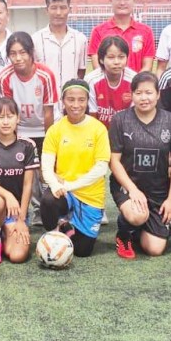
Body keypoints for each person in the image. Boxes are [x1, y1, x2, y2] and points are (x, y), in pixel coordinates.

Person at [110, 72, 171, 259]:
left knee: (155, 249)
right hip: (127, 187)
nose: (144, 98)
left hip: (158, 190)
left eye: (149, 92)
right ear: (132, 95)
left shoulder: (170, 121)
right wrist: (133, 190)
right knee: (137, 215)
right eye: (139, 93)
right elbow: (114, 161)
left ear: (158, 94)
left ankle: (141, 229)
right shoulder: (120, 120)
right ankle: (124, 232)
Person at [40, 79, 111, 258]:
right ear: (63, 101)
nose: (76, 105)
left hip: (90, 195)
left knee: (82, 251)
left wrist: (69, 185)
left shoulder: (98, 129)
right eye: (70, 99)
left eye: (81, 100)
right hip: (65, 193)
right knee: (49, 200)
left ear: (88, 101)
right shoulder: (55, 130)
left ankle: (66, 225)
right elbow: (46, 167)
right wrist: (56, 186)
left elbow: (101, 168)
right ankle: (53, 236)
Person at [0, 98, 40, 264]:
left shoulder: (28, 145)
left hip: (15, 211)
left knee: (17, 256)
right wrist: (8, 196)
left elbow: (27, 185)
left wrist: (21, 220)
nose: (5, 121)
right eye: (0, 117)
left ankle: (3, 232)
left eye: (10, 116)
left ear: (18, 118)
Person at [0, 31, 59, 146]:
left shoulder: (45, 75)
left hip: (44, 128)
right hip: (20, 130)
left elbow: (48, 113)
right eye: (13, 54)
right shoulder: (4, 77)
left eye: (23, 53)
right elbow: (9, 112)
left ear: (31, 52)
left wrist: (49, 143)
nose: (18, 58)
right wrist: (14, 142)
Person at [88, 0, 155, 72]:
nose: (122, 3)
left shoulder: (146, 31)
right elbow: (97, 67)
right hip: (107, 85)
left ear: (133, 1)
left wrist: (135, 83)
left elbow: (147, 66)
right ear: (111, 1)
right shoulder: (98, 31)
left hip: (136, 85)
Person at [33, 0, 88, 86]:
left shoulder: (80, 39)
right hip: (45, 99)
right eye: (53, 8)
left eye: (62, 8)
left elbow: (81, 71)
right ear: (46, 10)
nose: (58, 13)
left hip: (71, 99)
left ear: (69, 9)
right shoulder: (35, 40)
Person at [83, 35, 136, 128]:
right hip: (99, 132)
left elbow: (135, 115)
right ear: (101, 60)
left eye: (121, 57)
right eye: (111, 57)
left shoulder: (134, 79)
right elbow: (92, 115)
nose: (116, 62)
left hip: (126, 131)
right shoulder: (91, 80)